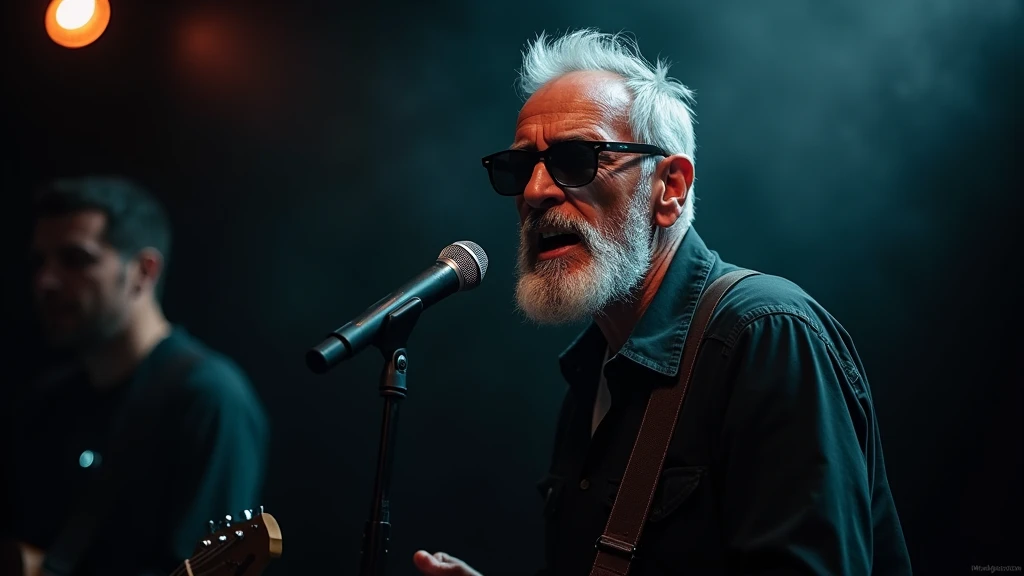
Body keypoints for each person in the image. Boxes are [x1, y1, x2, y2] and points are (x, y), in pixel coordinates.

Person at [413, 29, 912, 575]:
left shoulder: (765, 335)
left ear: (670, 188)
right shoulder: (592, 375)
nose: (535, 192)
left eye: (576, 159)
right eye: (517, 168)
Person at [5, 176, 269, 576]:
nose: (46, 281)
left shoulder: (209, 399)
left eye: (76, 259)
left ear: (144, 271)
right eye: (39, 262)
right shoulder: (49, 401)